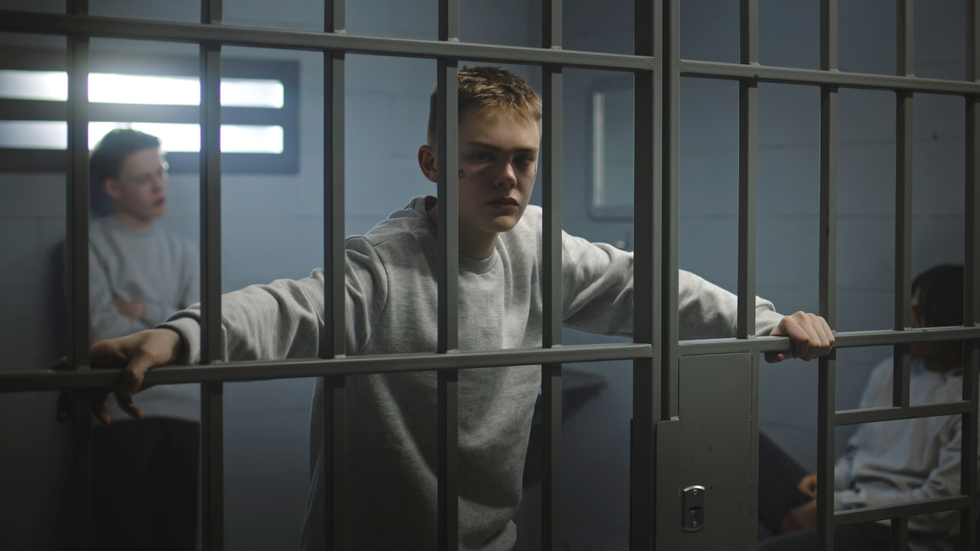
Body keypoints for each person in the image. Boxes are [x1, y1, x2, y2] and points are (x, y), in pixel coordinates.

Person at [57, 67, 834, 551]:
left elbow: (651, 287)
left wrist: (764, 321)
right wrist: (176, 335)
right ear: (435, 163)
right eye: (485, 156)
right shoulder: (384, 265)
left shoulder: (539, 247)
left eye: (523, 157)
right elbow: (286, 309)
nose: (508, 176)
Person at [758, 264, 968, 551]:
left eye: (920, 310)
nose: (909, 318)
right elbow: (860, 450)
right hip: (852, 500)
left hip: (899, 531)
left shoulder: (969, 392)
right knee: (751, 446)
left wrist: (835, 505)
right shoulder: (891, 371)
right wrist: (830, 483)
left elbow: (939, 510)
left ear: (949, 319)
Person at [85, 128, 200, 550]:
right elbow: (101, 334)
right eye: (143, 177)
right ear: (113, 187)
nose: (159, 184)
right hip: (120, 408)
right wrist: (166, 317)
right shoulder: (89, 244)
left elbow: (196, 333)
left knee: (178, 535)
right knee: (124, 534)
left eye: (162, 171)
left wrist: (142, 311)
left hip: (186, 409)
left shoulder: (185, 249)